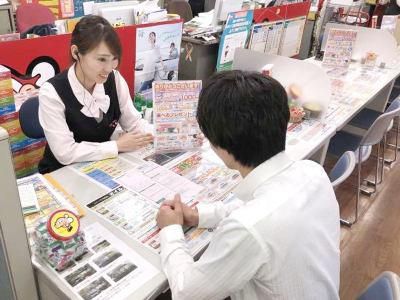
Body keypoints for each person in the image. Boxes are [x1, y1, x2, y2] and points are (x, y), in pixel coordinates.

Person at [156, 70, 340, 300]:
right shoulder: (313, 172)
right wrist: (198, 215)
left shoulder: (248, 227)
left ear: (219, 145)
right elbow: (259, 210)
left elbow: (187, 292)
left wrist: (170, 229)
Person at [38, 15, 153, 174]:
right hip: (62, 172)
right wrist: (116, 146)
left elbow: (133, 123)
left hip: (101, 167)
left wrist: (167, 132)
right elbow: (65, 152)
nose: (109, 68)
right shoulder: (52, 92)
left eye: (114, 59)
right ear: (76, 52)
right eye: (101, 59)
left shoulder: (114, 79)